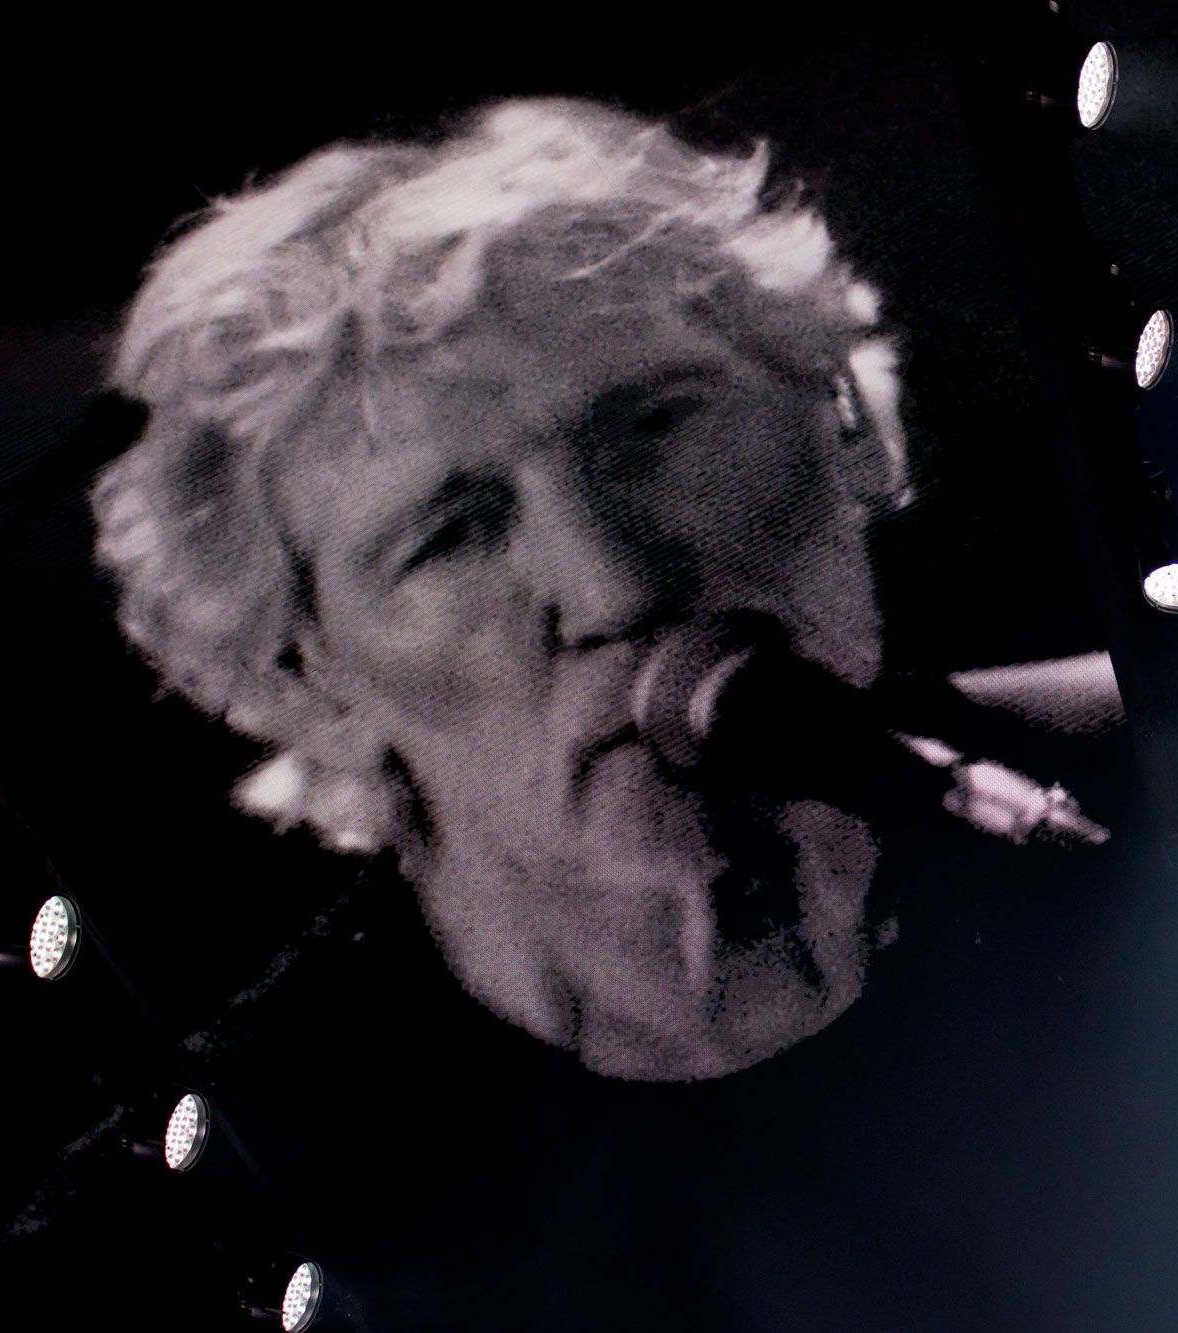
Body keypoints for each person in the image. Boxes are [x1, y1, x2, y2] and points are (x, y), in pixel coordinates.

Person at [87, 97, 937, 1083]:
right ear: (301, 687)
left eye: (658, 428)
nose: (617, 591)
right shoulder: (268, 1138)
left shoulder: (1128, 759)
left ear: (846, 434)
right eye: (451, 534)